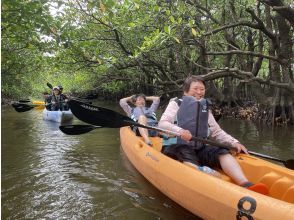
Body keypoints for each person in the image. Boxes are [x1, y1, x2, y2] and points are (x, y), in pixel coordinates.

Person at [158, 75, 269, 195]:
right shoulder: (176, 104)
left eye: (202, 89)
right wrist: (180, 131)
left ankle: (245, 183)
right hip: (176, 146)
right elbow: (162, 124)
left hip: (198, 148)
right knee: (185, 151)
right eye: (195, 89)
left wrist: (234, 142)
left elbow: (217, 132)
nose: (199, 92)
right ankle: (202, 172)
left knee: (221, 151)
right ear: (186, 91)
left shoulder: (205, 109)